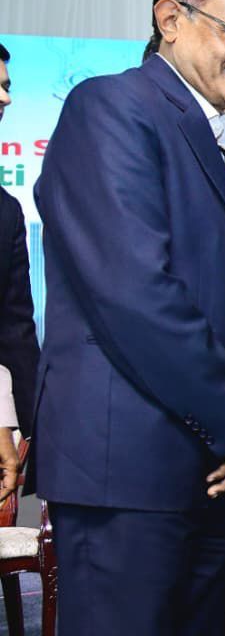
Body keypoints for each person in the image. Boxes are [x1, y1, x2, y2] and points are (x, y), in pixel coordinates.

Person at [34, 0, 225, 634]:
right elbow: (136, 300)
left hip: (215, 473)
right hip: (130, 474)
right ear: (171, 19)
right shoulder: (111, 107)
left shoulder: (220, 149)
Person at [0, 40, 39, 502]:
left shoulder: (7, 212)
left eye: (7, 87)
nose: (6, 98)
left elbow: (12, 329)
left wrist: (22, 424)